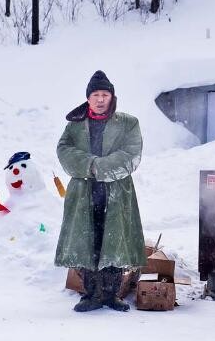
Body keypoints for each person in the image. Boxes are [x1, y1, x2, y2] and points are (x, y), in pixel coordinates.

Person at [54, 70, 147, 312]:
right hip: (84, 193)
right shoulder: (74, 126)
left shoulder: (128, 123)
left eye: (105, 94)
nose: (100, 99)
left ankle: (111, 294)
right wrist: (91, 166)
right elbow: (64, 151)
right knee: (87, 242)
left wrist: (96, 167)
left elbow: (131, 155)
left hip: (117, 193)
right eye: (95, 94)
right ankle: (91, 294)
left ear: (112, 97)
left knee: (114, 241)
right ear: (88, 98)